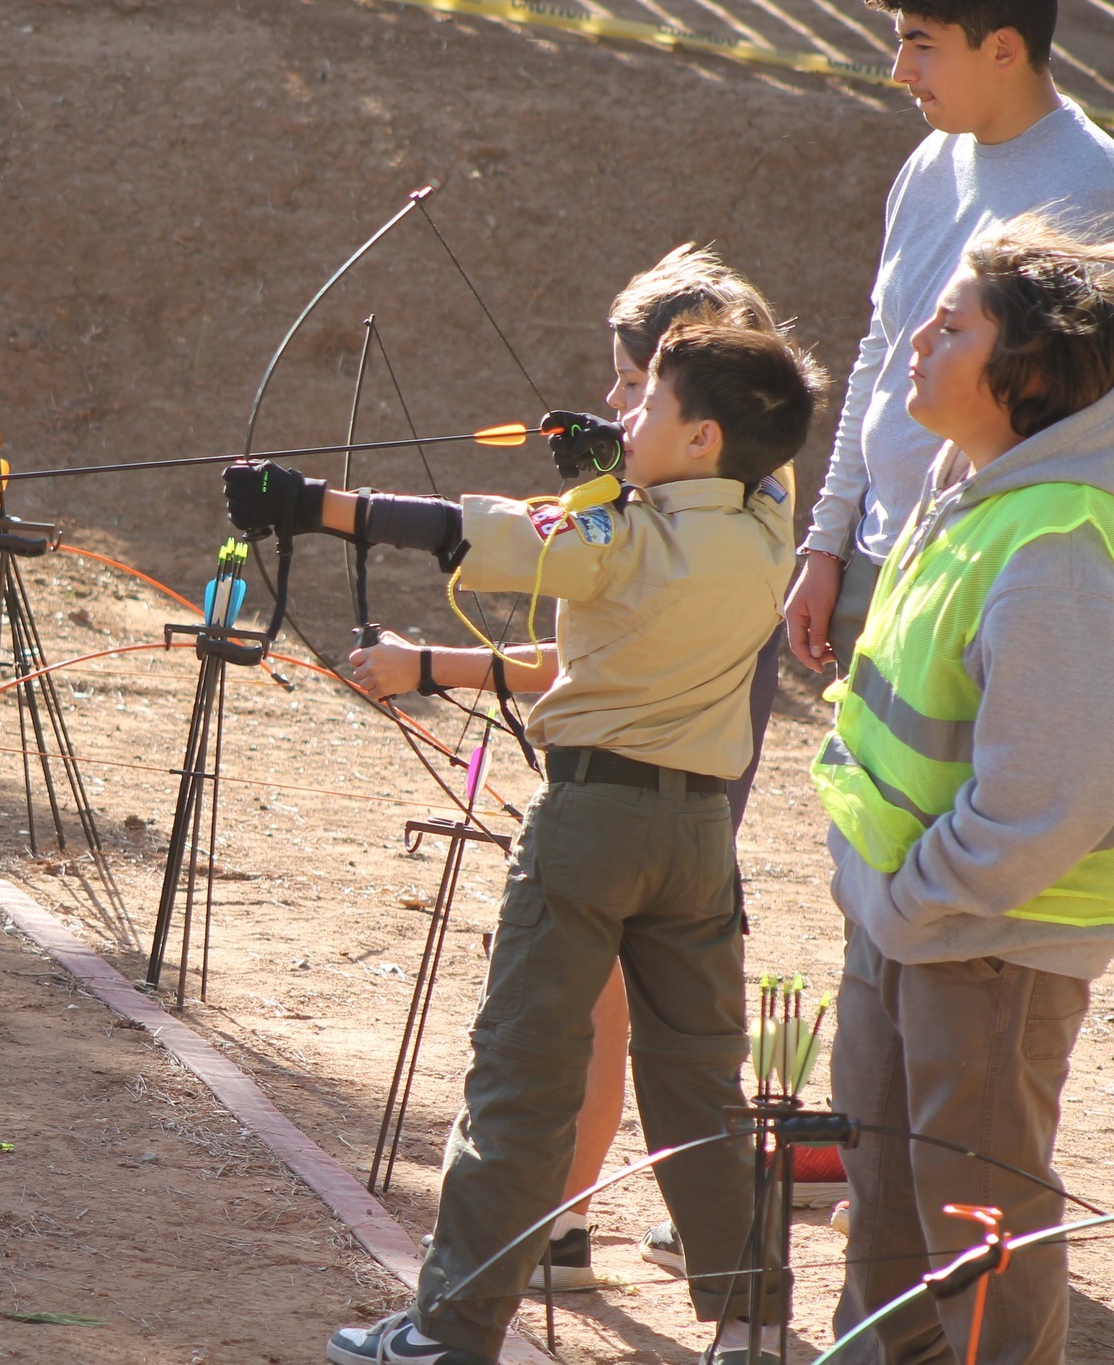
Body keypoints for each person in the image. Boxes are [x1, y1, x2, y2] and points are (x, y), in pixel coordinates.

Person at [223, 320, 826, 1365]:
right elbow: (724, 486)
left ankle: (447, 1333)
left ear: (701, 439)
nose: (625, 414)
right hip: (694, 839)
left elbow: (484, 533)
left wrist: (316, 508)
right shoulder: (768, 523)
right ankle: (751, 1323)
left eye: (650, 405)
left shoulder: (619, 540)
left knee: (520, 1079)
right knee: (698, 1082)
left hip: (591, 826)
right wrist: (622, 463)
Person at [354, 246, 829, 1292]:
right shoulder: (727, 499)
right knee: (661, 1052)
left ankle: (537, 1245)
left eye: (634, 385)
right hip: (671, 808)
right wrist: (608, 474)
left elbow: (570, 631)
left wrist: (417, 639)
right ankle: (715, 1285)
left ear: (701, 415)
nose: (612, 404)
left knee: (585, 1032)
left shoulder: (710, 511)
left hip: (641, 798)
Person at [815, 215, 1114, 1364]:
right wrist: (880, 900)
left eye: (949, 326)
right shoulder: (973, 495)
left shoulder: (1054, 544)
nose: (914, 342)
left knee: (975, 1237)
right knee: (883, 1210)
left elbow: (1051, 800)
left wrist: (911, 899)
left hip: (983, 943)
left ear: (1026, 369)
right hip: (906, 921)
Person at [784, 0, 1114, 679]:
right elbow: (879, 354)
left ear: (1001, 48)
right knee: (856, 786)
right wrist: (826, 545)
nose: (901, 70)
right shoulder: (928, 162)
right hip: (877, 557)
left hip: (992, 576)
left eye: (921, 44)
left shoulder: (1099, 192)